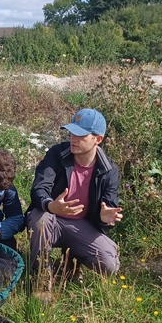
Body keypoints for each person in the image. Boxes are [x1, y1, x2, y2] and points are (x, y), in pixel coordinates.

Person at [26, 108, 123, 280]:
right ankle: (41, 275)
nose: (73, 139)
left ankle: (70, 263)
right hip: (51, 219)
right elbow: (39, 189)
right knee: (39, 219)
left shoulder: (109, 170)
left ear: (98, 139)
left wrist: (104, 218)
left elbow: (108, 209)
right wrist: (51, 205)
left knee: (110, 263)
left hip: (81, 225)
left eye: (81, 136)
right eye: (72, 133)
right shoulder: (57, 154)